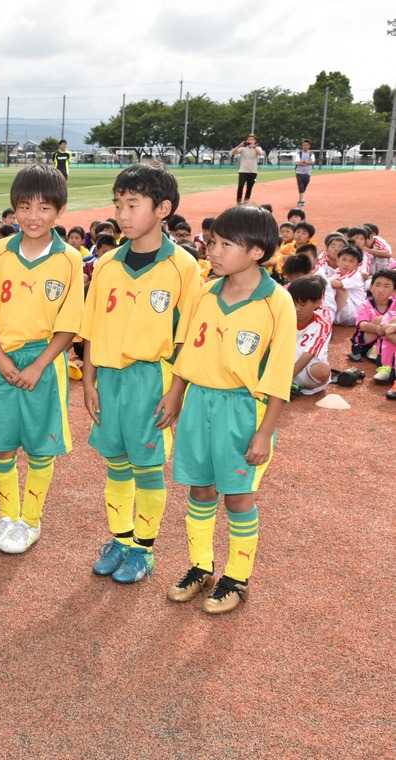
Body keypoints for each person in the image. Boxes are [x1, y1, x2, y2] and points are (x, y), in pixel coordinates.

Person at [160, 204, 294, 614]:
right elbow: (189, 348)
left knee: (237, 497)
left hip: (243, 409)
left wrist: (264, 432)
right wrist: (176, 392)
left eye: (225, 245)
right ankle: (202, 566)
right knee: (200, 489)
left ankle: (237, 577)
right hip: (198, 401)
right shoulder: (206, 292)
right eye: (212, 242)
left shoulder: (277, 302)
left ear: (256, 251)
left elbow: (278, 372)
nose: (213, 251)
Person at [79, 162, 200, 584]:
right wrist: (88, 380)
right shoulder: (107, 264)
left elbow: (187, 338)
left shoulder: (183, 266)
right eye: (118, 205)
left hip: (152, 379)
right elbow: (91, 328)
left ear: (163, 209)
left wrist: (176, 391)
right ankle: (120, 539)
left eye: (133, 204)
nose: (122, 214)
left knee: (147, 466)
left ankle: (144, 550)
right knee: (115, 462)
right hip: (109, 379)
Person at [0, 165, 83, 555]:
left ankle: (30, 521)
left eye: (44, 208)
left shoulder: (69, 259)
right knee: (1, 444)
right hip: (1, 359)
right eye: (24, 207)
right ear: (13, 208)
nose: (33, 216)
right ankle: (7, 515)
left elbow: (70, 323)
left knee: (39, 447)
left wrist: (39, 365)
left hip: (44, 362)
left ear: (60, 210)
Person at [289, 276, 332, 396]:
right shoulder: (283, 317)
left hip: (304, 371)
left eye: (302, 305)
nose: (297, 309)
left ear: (317, 302)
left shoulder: (322, 324)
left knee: (323, 370)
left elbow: (308, 355)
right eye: (293, 303)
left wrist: (286, 378)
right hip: (281, 367)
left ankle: (294, 385)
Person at [349, 269, 395, 377]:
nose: (380, 290)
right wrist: (381, 329)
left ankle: (380, 349)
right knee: (381, 319)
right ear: (371, 287)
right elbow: (363, 325)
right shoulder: (365, 305)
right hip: (366, 342)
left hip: (385, 337)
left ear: (394, 291)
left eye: (386, 286)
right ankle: (375, 349)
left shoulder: (394, 304)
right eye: (377, 285)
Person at [230, 134, 264, 204]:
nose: (250, 141)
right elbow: (233, 152)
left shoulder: (257, 148)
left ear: (255, 141)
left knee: (249, 188)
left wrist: (253, 147)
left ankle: (246, 201)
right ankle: (239, 201)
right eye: (248, 140)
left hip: (253, 172)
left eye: (251, 140)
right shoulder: (243, 149)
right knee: (240, 186)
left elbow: (260, 153)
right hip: (243, 171)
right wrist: (239, 146)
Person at [295, 138, 315, 206]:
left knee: (304, 186)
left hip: (307, 173)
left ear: (309, 146)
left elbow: (312, 162)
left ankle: (301, 198)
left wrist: (303, 162)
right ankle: (301, 201)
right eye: (304, 145)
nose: (305, 146)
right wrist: (307, 162)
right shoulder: (299, 153)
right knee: (301, 186)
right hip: (299, 172)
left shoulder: (311, 154)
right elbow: (297, 163)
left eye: (306, 145)